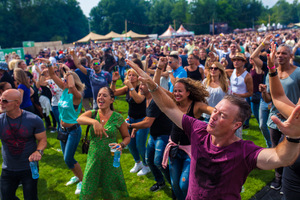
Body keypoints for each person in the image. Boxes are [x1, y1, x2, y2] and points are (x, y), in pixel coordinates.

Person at [126, 57, 300, 200]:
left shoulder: (244, 151)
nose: (213, 116)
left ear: (236, 125)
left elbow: (280, 158)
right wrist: (152, 85)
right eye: (215, 110)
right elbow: (168, 107)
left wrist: (293, 137)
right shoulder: (198, 129)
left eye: (222, 115)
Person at [77, 87, 130, 200]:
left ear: (112, 100)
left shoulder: (118, 118)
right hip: (94, 160)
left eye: (104, 95)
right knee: (88, 189)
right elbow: (79, 119)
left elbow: (127, 137)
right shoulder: (93, 113)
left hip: (110, 161)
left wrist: (121, 145)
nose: (100, 97)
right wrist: (94, 121)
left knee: (111, 190)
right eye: (99, 95)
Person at [261, 42, 300, 191]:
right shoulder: (271, 75)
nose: (280, 56)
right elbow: (272, 98)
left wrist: (288, 111)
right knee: (276, 149)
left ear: (291, 55)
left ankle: (288, 179)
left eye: (284, 53)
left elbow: (279, 97)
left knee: (290, 152)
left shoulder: (298, 72)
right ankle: (279, 178)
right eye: (278, 53)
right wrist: (264, 92)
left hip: (293, 120)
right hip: (275, 120)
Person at [46, 59, 85, 194]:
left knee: (69, 158)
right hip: (62, 130)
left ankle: (82, 181)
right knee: (66, 158)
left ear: (72, 81)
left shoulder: (76, 95)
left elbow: (73, 87)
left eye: (66, 79)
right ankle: (77, 176)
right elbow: (52, 75)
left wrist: (68, 72)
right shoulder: (63, 90)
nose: (63, 81)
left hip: (73, 131)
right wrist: (49, 64)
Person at [0, 89, 47, 200]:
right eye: (0, 100)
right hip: (8, 168)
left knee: (30, 197)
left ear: (17, 103)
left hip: (28, 168)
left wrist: (38, 151)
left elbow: (42, 140)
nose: (1, 103)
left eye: (5, 101)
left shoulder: (34, 119)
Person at [129, 82, 172, 192]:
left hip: (163, 135)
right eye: (140, 85)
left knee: (158, 162)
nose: (140, 87)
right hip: (154, 135)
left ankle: (173, 184)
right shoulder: (146, 100)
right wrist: (136, 128)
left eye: (143, 85)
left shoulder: (155, 101)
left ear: (150, 87)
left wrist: (130, 125)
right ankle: (160, 182)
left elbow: (148, 123)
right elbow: (147, 117)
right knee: (149, 160)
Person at [111, 66, 150, 176]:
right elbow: (112, 92)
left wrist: (130, 86)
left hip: (143, 119)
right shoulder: (127, 88)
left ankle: (147, 166)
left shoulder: (141, 87)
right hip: (131, 119)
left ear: (138, 77)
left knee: (140, 144)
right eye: (129, 75)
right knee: (131, 144)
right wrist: (114, 81)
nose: (131, 77)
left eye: (133, 75)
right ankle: (138, 162)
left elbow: (138, 100)